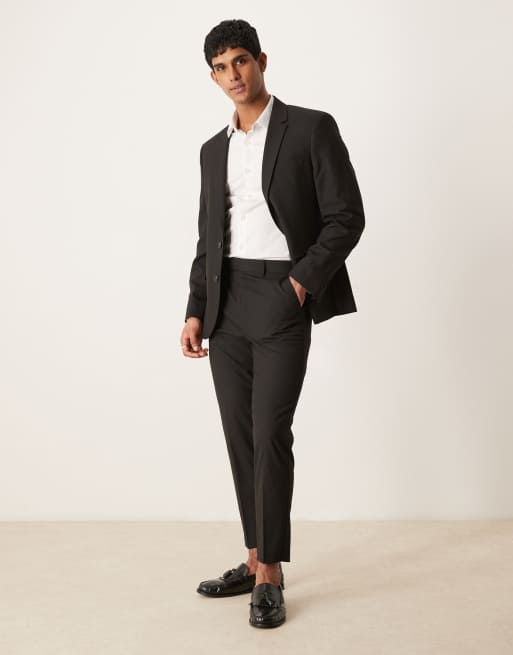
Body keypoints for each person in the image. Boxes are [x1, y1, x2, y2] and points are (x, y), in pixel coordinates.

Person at [180, 18, 365, 629]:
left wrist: (301, 282)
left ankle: (271, 573)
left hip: (282, 295)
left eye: (240, 61)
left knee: (270, 431)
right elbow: (209, 236)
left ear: (261, 60)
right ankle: (254, 554)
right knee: (240, 434)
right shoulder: (212, 150)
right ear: (212, 77)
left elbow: (346, 216)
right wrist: (195, 308)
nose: (232, 75)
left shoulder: (310, 127)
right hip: (226, 301)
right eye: (220, 68)